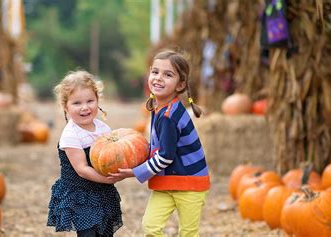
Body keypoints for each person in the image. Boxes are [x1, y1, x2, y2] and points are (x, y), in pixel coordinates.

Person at [110, 50, 210, 237]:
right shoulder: (160, 108)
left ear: (180, 84)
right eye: (155, 72)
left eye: (168, 74)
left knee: (188, 233)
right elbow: (158, 147)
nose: (158, 78)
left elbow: (165, 156)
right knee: (150, 227)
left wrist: (136, 171)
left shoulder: (168, 116)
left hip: (190, 183)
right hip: (167, 182)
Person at [47, 70, 123, 237]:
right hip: (80, 193)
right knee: (88, 233)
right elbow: (81, 169)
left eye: (90, 101)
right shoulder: (71, 134)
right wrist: (107, 179)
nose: (85, 107)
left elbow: (112, 155)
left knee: (105, 231)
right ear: (65, 106)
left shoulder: (103, 128)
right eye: (77, 103)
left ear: (98, 100)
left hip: (102, 191)